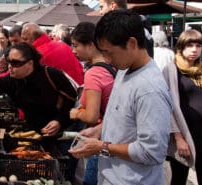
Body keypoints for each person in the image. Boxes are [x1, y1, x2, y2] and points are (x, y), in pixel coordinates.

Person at [68, 10, 172, 184]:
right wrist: (99, 131)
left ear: (131, 43)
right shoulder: (124, 70)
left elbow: (152, 151)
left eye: (109, 53)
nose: (106, 60)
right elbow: (123, 117)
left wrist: (102, 147)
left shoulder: (150, 89)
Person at [69, 22, 116, 185]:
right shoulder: (113, 66)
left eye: (76, 45)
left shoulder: (94, 73)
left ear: (90, 45)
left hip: (101, 138)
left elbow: (91, 115)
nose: (73, 51)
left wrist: (76, 113)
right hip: (113, 135)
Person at [163, 29, 202, 185]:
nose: (194, 49)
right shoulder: (171, 69)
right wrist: (178, 138)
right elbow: (167, 106)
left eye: (198, 45)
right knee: (179, 178)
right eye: (190, 45)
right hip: (184, 133)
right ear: (181, 47)